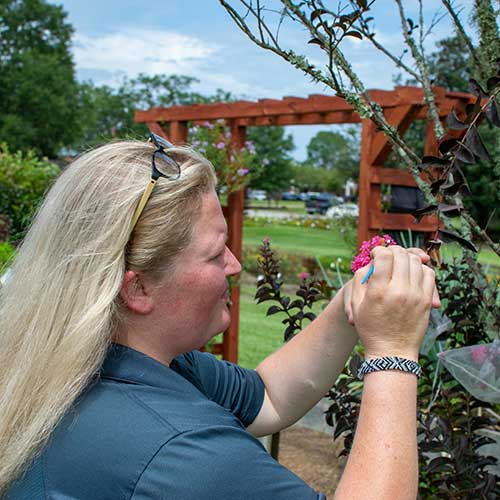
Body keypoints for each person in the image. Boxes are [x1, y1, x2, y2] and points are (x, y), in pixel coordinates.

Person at [0, 135, 439, 499]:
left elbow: (269, 396)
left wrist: (352, 302)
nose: (233, 265)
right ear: (137, 289)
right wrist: (394, 351)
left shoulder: (93, 358)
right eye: (214, 255)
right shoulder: (184, 454)